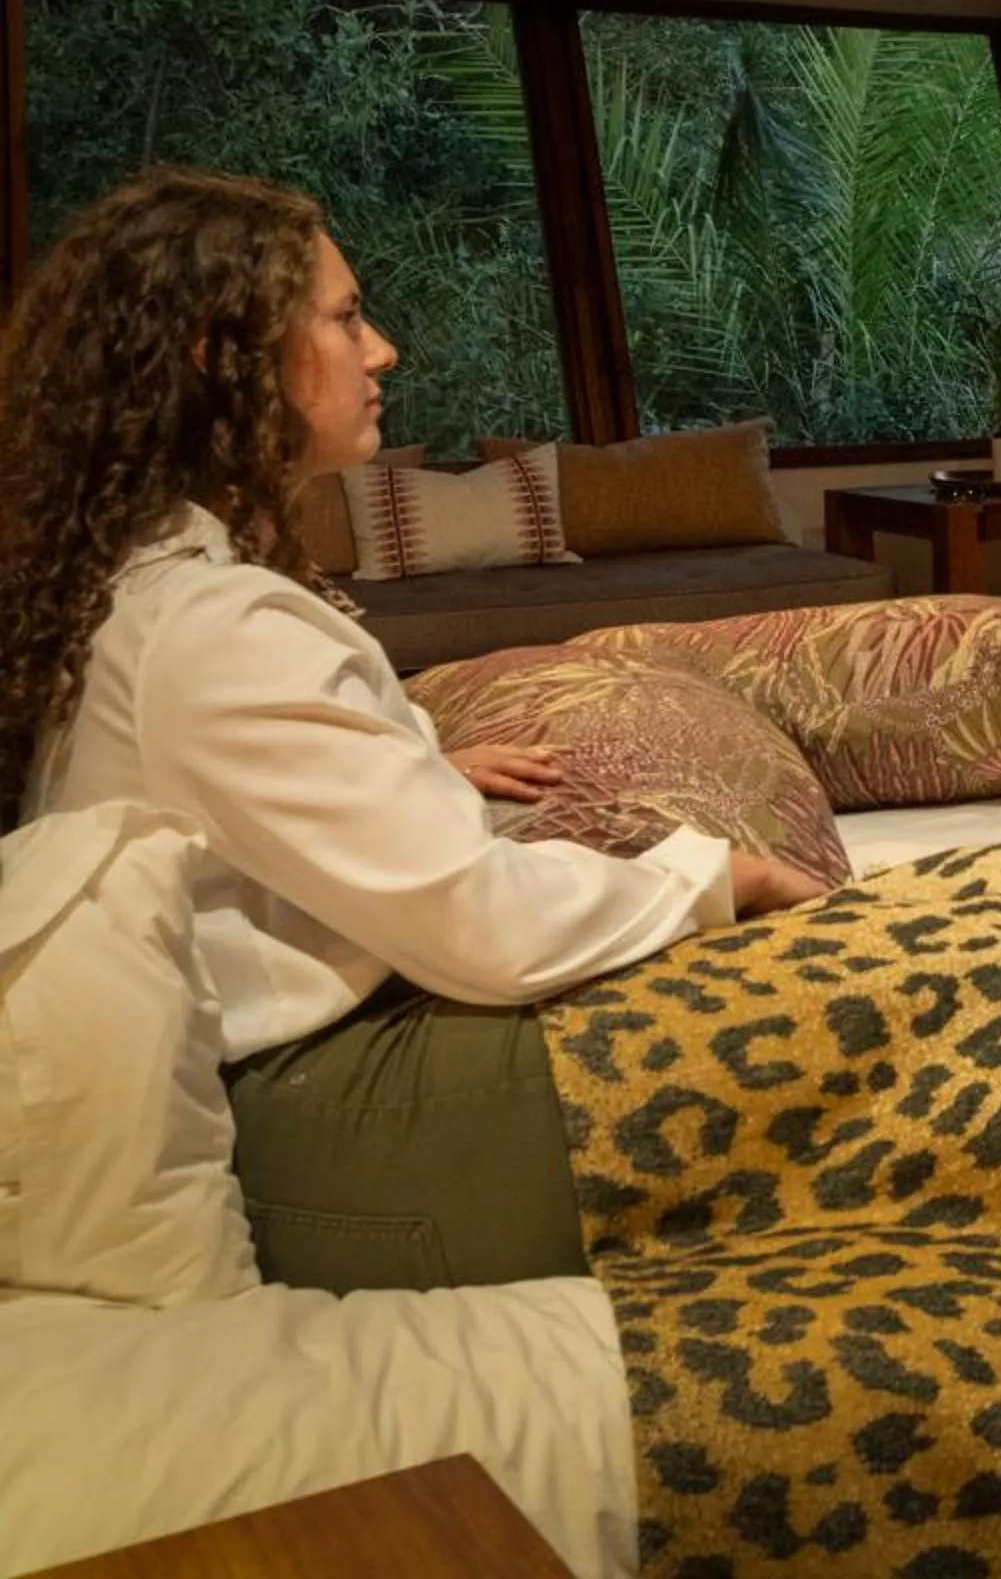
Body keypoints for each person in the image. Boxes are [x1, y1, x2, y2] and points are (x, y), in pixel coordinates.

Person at [0, 168, 830, 1290]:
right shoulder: (210, 626)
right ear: (220, 355)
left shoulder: (152, 587)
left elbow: (232, 798)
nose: (382, 350)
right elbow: (486, 926)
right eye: (345, 319)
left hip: (299, 1092)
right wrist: (715, 874)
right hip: (322, 1125)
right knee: (951, 957)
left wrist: (403, 761)